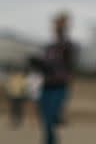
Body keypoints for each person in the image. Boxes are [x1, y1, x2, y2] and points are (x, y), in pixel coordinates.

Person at [30, 12, 77, 144]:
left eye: (59, 25)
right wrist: (39, 65)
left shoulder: (68, 46)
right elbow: (42, 69)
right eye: (56, 25)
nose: (56, 28)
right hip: (45, 86)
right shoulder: (48, 48)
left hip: (59, 87)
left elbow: (69, 67)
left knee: (50, 119)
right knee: (46, 121)